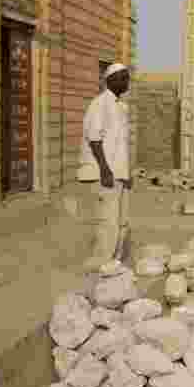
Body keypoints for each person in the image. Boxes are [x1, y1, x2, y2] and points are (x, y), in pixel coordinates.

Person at [78, 63, 132, 260]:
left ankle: (115, 266)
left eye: (128, 77)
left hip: (120, 174)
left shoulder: (122, 107)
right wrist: (105, 170)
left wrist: (127, 174)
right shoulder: (100, 104)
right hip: (106, 174)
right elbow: (94, 138)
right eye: (122, 77)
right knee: (108, 224)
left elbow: (121, 145)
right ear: (110, 80)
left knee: (122, 222)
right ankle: (102, 268)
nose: (127, 81)